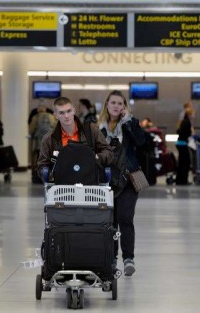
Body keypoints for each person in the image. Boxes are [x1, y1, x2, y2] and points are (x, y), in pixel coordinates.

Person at [98, 90, 145, 277]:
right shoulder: (98, 128)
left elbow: (141, 142)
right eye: (113, 103)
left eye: (120, 103)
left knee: (126, 218)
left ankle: (128, 259)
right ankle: (111, 259)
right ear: (107, 105)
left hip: (129, 178)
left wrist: (129, 121)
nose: (116, 106)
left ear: (124, 107)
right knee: (110, 222)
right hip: (107, 179)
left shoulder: (131, 123)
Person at [37, 96, 113, 179]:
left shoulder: (91, 130)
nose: (66, 116)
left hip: (89, 182)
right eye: (61, 113)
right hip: (62, 185)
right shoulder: (49, 138)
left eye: (69, 111)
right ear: (56, 115)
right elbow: (42, 167)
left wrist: (95, 157)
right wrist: (53, 175)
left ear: (74, 110)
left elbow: (108, 152)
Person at [30, 103, 57, 183]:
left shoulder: (35, 117)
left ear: (38, 109)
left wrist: (31, 135)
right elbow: (56, 127)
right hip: (50, 144)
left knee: (39, 160)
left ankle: (38, 178)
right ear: (45, 108)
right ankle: (50, 176)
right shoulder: (51, 117)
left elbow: (31, 129)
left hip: (39, 144)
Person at [175, 102, 194, 185]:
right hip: (183, 143)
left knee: (181, 162)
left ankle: (179, 180)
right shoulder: (187, 122)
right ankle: (183, 181)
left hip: (179, 143)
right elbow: (188, 133)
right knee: (185, 163)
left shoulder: (183, 121)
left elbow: (178, 131)